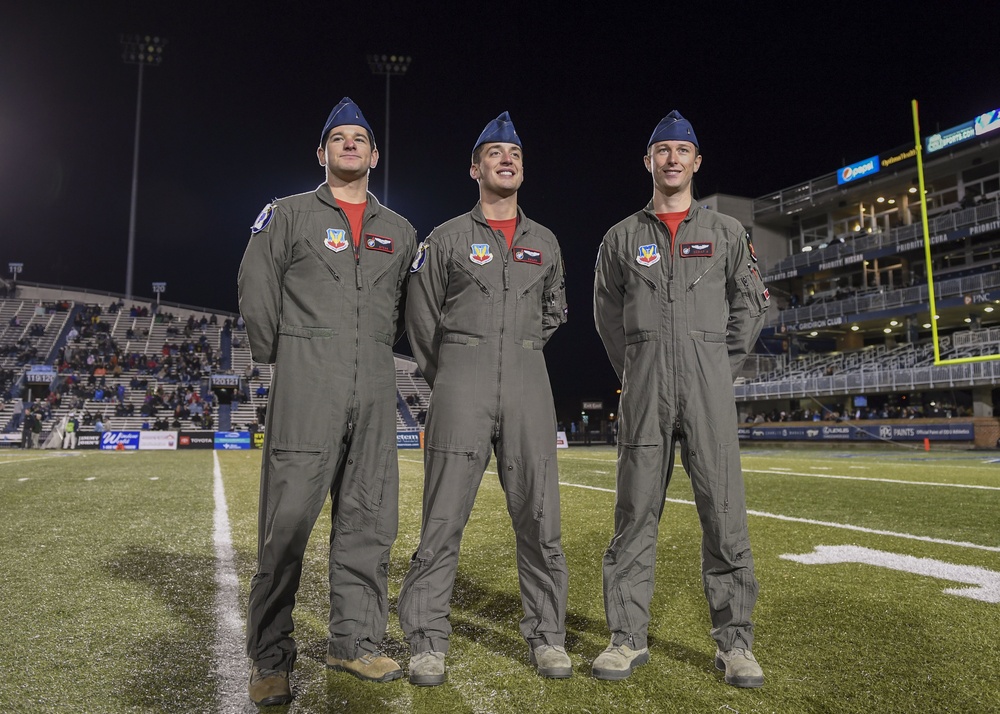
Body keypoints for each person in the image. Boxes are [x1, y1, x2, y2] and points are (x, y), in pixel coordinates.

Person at [238, 97, 418, 706]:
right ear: (321, 153)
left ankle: (354, 642)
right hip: (306, 381)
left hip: (373, 386)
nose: (349, 145)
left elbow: (400, 312)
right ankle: (270, 656)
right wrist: (285, 353)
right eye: (337, 138)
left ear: (374, 153)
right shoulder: (286, 215)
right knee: (285, 525)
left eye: (358, 138)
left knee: (368, 520)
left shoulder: (400, 230)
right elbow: (257, 285)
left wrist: (365, 351)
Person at [592, 111, 770, 687]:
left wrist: (716, 368)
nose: (672, 158)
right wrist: (639, 366)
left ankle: (735, 643)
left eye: (682, 150)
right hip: (645, 392)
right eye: (661, 150)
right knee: (634, 514)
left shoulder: (725, 233)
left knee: (724, 515)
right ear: (648, 161)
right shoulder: (620, 238)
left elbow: (750, 307)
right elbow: (607, 317)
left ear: (697, 162)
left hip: (707, 391)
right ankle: (626, 638)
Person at [399, 112, 570, 686]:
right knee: (443, 518)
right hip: (460, 380)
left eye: (515, 154)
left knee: (540, 516)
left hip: (528, 377)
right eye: (495, 153)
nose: (507, 160)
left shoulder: (544, 241)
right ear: (475, 168)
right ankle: (426, 641)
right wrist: (453, 370)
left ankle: (547, 636)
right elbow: (421, 322)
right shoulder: (445, 239)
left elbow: (553, 313)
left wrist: (516, 351)